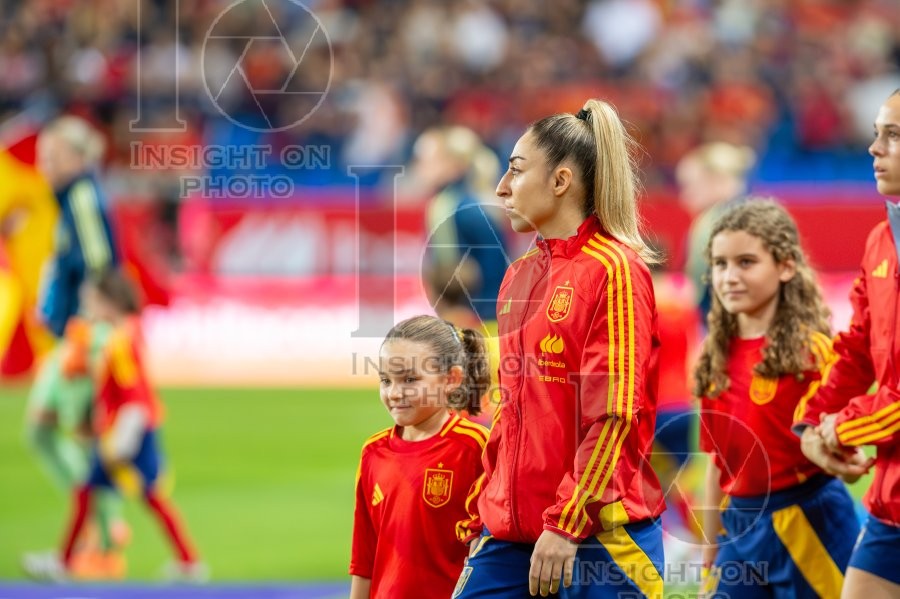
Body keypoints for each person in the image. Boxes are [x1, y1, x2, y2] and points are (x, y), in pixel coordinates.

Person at [454, 99, 665, 598]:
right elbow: (511, 413)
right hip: (511, 535)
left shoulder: (613, 268)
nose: (502, 187)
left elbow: (612, 415)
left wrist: (567, 522)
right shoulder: (518, 274)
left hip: (600, 538)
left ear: (561, 181)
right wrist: (486, 508)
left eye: (516, 169)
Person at [695, 200, 861, 598]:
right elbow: (718, 464)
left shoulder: (813, 353)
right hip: (740, 526)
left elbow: (844, 448)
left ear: (785, 267)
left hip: (807, 520)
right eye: (720, 264)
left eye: (746, 262)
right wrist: (709, 544)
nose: (729, 277)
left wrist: (845, 458)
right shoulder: (713, 356)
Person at [23, 269, 205, 582]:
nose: (88, 308)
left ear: (110, 302)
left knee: (150, 496)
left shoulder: (120, 341)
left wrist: (122, 438)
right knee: (88, 491)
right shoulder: (125, 334)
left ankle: (190, 563)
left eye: (92, 301)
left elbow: (133, 395)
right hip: (120, 430)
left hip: (129, 433)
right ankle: (64, 561)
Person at [796, 89, 900, 598]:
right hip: (891, 500)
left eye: (894, 136)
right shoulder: (882, 238)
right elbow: (857, 345)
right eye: (876, 134)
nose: (874, 149)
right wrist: (815, 419)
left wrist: (844, 426)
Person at [349, 315, 490, 599]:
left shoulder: (475, 448)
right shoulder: (373, 453)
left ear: (451, 379)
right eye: (386, 380)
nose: (395, 393)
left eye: (410, 379)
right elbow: (364, 558)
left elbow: (488, 551)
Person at [676, 142, 756, 320]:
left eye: (690, 186)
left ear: (717, 181)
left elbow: (701, 293)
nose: (684, 196)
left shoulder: (720, 225)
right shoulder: (734, 216)